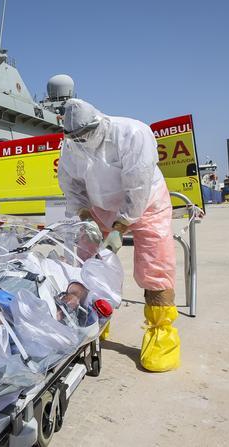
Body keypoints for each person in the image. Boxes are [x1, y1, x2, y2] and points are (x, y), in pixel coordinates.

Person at [57, 98, 180, 372]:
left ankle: (162, 334)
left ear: (99, 122)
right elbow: (71, 185)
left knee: (154, 263)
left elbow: (137, 187)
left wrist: (121, 227)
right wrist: (86, 217)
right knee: (85, 260)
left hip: (147, 202)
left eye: (84, 134)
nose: (80, 140)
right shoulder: (71, 146)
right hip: (99, 205)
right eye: (74, 137)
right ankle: (94, 316)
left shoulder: (132, 134)